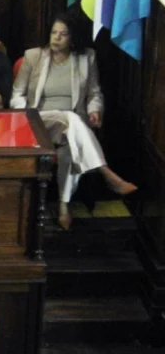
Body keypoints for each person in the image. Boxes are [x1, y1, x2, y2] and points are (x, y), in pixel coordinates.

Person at [11, 13, 137, 229]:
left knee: (69, 147)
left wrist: (94, 110)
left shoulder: (86, 58)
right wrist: (26, 113)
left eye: (63, 34)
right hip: (38, 122)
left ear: (73, 38)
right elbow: (17, 94)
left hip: (71, 128)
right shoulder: (33, 57)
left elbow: (95, 93)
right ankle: (105, 172)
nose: (56, 38)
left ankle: (63, 205)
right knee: (70, 118)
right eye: (53, 33)